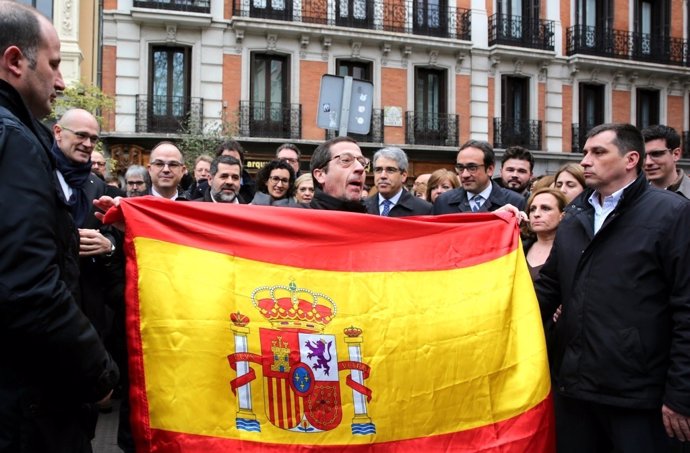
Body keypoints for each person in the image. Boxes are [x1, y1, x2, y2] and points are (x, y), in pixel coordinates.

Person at [0, 3, 118, 451]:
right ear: (15, 61)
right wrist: (98, 370)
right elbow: (28, 285)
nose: (63, 81)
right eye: (53, 65)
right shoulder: (15, 141)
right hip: (28, 406)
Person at [536, 123, 690, 452]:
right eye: (585, 152)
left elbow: (686, 307)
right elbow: (547, 289)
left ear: (631, 158)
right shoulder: (575, 214)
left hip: (638, 396)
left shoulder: (672, 213)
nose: (586, 160)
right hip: (576, 391)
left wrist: (681, 394)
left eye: (598, 152)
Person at [433, 140, 526, 214]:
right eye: (460, 168)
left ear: (490, 169)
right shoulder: (443, 202)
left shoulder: (515, 202)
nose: (465, 175)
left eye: (472, 168)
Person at [364, 147, 432, 217]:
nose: (383, 176)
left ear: (403, 175)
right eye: (378, 170)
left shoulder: (424, 209)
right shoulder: (362, 207)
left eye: (390, 170)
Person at [308, 136, 368, 212]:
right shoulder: (296, 220)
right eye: (346, 160)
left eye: (362, 163)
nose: (360, 168)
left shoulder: (373, 221)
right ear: (320, 175)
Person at [522, 188, 566, 282]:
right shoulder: (519, 248)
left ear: (562, 216)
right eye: (532, 209)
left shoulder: (570, 252)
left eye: (545, 208)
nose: (536, 214)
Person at [642, 124, 690, 198]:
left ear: (676, 154)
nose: (648, 162)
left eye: (656, 153)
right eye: (643, 156)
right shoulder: (630, 196)